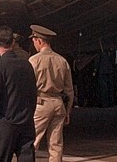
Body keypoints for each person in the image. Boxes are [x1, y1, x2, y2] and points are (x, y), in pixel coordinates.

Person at [0, 25, 37, 162]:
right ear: (13, 42)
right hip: (25, 121)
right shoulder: (27, 65)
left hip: (5, 122)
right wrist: (28, 114)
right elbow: (33, 93)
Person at [28, 24, 74, 162]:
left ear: (39, 41)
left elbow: (29, 87)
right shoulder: (62, 61)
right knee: (56, 144)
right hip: (58, 103)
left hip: (41, 103)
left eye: (34, 41)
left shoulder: (34, 60)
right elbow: (69, 90)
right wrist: (68, 110)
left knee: (32, 141)